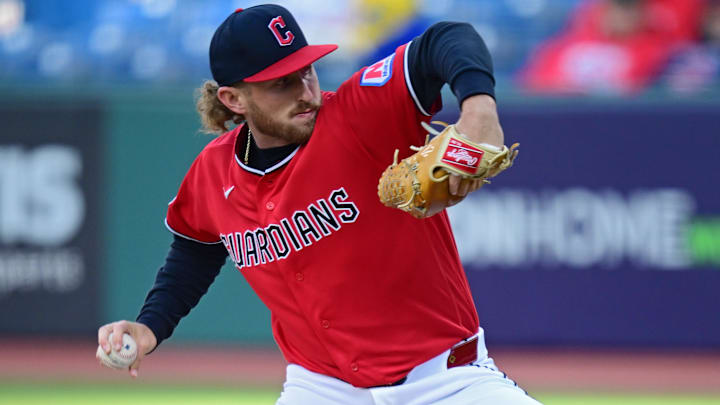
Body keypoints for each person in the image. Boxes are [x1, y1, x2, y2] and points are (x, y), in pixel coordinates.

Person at [96, 4, 539, 404]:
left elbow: (447, 38)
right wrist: (150, 325)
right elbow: (196, 250)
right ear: (233, 99)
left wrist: (479, 109)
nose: (305, 91)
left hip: (446, 380)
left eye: (307, 71)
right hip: (321, 387)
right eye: (281, 84)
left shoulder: (361, 113)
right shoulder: (214, 172)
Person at [517, 0, 704, 94]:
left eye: (628, 9)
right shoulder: (563, 46)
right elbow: (532, 87)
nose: (620, 16)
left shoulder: (655, 51)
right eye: (616, 7)